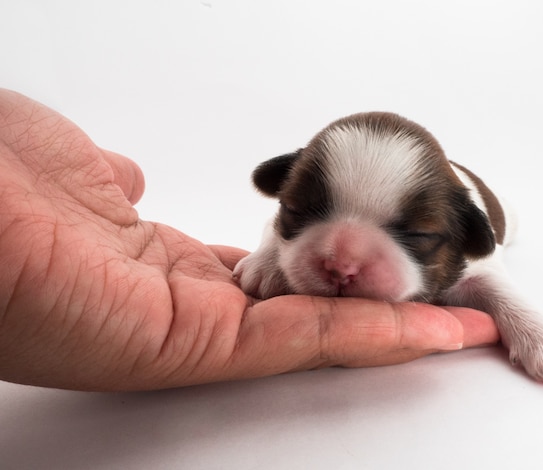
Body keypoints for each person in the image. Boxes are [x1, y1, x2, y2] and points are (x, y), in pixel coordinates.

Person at [0, 89, 499, 391]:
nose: (341, 261)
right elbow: (274, 232)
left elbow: (482, 273)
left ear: (465, 234)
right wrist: (268, 253)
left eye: (411, 234)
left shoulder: (467, 216)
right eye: (303, 212)